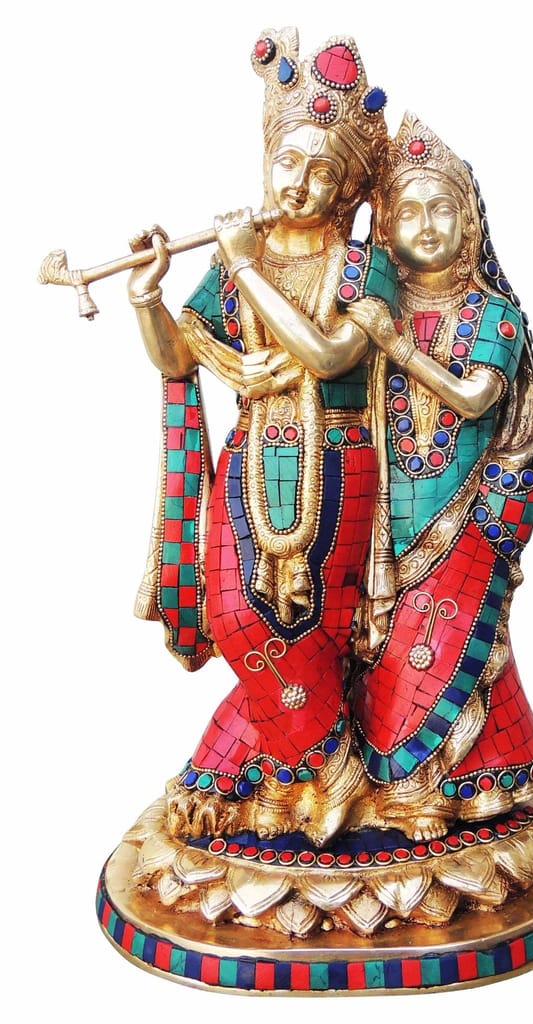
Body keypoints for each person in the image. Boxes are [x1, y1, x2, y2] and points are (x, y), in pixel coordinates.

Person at [127, 29, 397, 845]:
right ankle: (330, 767)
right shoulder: (230, 263)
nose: (299, 182)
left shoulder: (364, 266)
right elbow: (179, 357)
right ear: (266, 162)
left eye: (323, 170)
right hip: (252, 452)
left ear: (346, 188)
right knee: (236, 615)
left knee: (315, 628)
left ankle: (290, 781)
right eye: (287, 161)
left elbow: (328, 356)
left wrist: (245, 265)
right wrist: (147, 297)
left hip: (339, 461)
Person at [345, 113, 533, 841]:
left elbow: (473, 399)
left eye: (442, 209)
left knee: (447, 640)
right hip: (382, 525)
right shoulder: (370, 308)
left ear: (469, 224)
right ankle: (380, 781)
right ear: (386, 227)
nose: (426, 226)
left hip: (464, 519)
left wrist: (395, 345)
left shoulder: (494, 316)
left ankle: (445, 787)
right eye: (408, 211)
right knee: (379, 654)